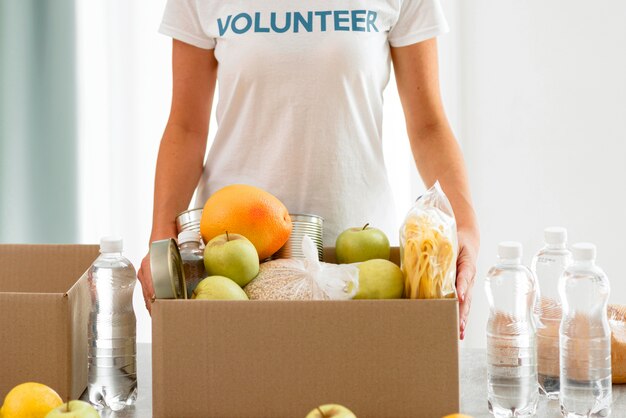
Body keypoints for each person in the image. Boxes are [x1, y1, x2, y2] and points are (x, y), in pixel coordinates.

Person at [138, 0, 480, 339]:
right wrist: (161, 235)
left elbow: (428, 125)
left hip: (358, 257)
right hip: (235, 258)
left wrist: (465, 226)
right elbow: (186, 127)